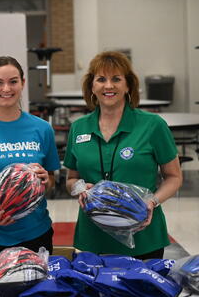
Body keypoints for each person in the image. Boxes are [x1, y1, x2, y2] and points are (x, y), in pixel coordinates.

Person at [64, 51, 182, 259]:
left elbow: (174, 177)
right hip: (92, 238)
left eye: (116, 79)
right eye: (101, 79)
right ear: (92, 86)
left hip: (144, 237)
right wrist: (80, 189)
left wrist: (152, 202)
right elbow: (71, 179)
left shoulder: (153, 126)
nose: (108, 86)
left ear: (128, 86)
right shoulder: (79, 128)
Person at [0, 56, 60, 266]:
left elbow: (51, 179)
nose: (6, 88)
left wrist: (46, 181)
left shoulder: (42, 129)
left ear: (23, 83)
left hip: (36, 234)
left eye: (13, 81)